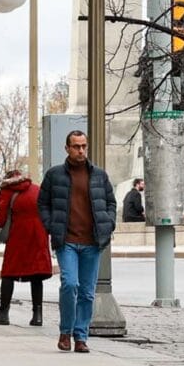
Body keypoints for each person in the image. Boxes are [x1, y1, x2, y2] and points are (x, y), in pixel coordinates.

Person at [38, 130, 118, 354]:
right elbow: (42, 204)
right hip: (67, 241)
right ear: (67, 148)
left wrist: (108, 224)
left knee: (87, 292)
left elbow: (111, 203)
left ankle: (80, 337)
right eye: (76, 146)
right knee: (69, 283)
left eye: (84, 146)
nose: (81, 150)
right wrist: (50, 226)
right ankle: (65, 332)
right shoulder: (55, 175)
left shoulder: (99, 176)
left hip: (93, 242)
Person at [0, 167, 52, 327]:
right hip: (39, 235)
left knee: (9, 273)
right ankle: (37, 315)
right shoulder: (36, 188)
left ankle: (3, 313)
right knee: (36, 274)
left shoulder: (7, 191)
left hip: (18, 235)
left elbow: (1, 219)